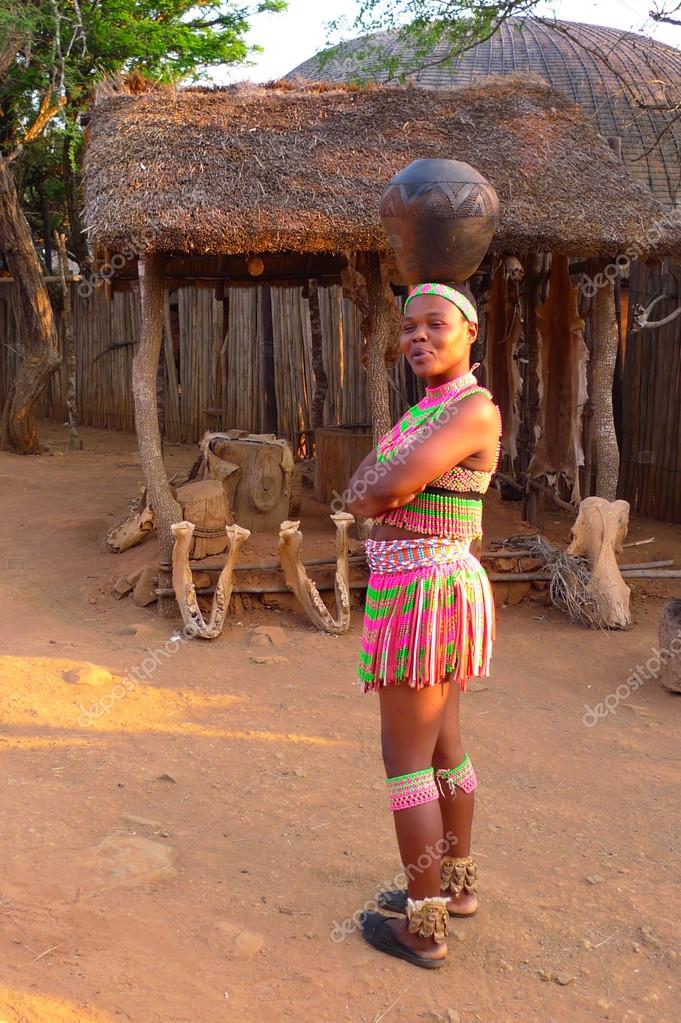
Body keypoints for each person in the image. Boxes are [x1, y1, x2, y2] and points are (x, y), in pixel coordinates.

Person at [346, 282, 501, 969]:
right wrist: (380, 483)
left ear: (470, 332)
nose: (417, 337)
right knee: (442, 749)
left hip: (425, 594)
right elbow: (364, 482)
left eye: (434, 325)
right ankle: (455, 888)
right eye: (408, 327)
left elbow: (373, 490)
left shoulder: (469, 410)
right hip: (424, 588)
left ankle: (424, 926)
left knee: (404, 762)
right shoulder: (430, 410)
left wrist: (382, 485)